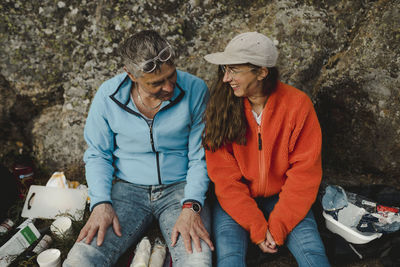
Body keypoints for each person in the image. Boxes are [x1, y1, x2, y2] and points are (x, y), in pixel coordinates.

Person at [63, 30, 213, 267]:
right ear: (131, 75)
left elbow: (200, 156)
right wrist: (101, 203)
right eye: (156, 83)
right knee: (81, 257)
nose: (168, 87)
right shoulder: (107, 96)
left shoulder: (195, 90)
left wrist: (192, 205)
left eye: (171, 76)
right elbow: (98, 154)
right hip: (127, 190)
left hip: (181, 188)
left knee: (198, 259)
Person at [203, 32, 330, 267]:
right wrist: (258, 228)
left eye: (234, 70)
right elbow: (225, 180)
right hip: (234, 201)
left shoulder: (297, 105)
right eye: (225, 70)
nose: (225, 79)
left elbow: (305, 173)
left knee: (313, 254)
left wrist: (278, 226)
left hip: (284, 196)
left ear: (262, 72)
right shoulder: (221, 106)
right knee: (229, 259)